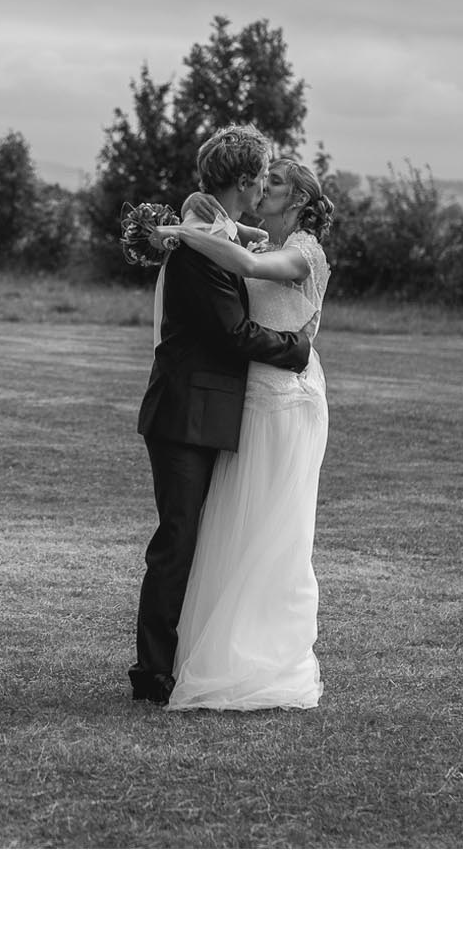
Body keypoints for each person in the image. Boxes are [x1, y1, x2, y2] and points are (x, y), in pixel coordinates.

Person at [129, 127, 310, 705]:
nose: (263, 186)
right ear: (244, 180)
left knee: (199, 540)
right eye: (260, 176)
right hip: (184, 413)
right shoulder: (198, 249)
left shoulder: (218, 234)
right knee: (177, 539)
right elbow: (233, 333)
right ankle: (152, 672)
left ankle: (184, 656)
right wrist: (296, 350)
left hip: (212, 413)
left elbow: (243, 241)